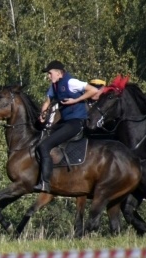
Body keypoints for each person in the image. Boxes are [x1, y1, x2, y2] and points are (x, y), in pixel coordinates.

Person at [34, 61, 101, 193]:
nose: (48, 76)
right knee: (43, 135)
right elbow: (47, 101)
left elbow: (93, 90)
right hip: (65, 121)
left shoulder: (71, 82)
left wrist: (76, 100)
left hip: (76, 122)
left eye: (50, 73)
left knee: (44, 146)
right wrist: (42, 114)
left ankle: (45, 183)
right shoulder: (54, 86)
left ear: (59, 73)